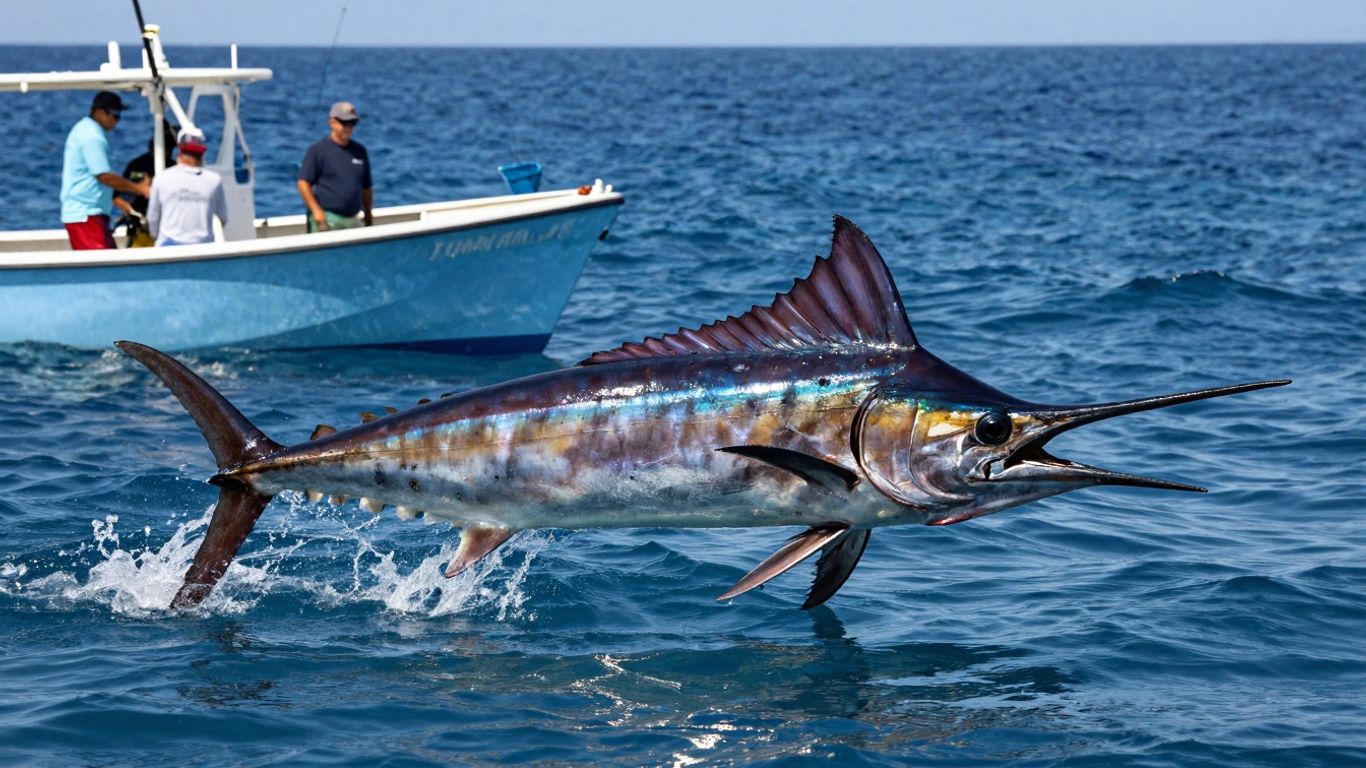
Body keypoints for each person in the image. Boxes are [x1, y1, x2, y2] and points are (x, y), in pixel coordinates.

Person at [60, 90, 151, 250]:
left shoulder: (86, 129)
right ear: (101, 112)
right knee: (101, 266)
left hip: (91, 213)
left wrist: (117, 201)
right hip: (86, 215)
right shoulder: (92, 136)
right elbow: (104, 176)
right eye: (115, 115)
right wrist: (140, 189)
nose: (117, 121)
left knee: (107, 261)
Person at [297, 101, 373, 232]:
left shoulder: (360, 151)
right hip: (327, 219)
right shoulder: (318, 150)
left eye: (352, 123)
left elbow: (366, 188)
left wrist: (368, 214)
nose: (348, 127)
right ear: (332, 122)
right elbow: (303, 183)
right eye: (344, 123)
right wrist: (317, 212)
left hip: (352, 219)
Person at [147, 127, 228, 246]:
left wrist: (155, 236)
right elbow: (223, 218)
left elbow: (153, 218)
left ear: (179, 150)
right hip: (202, 247)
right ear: (202, 153)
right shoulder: (214, 180)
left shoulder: (161, 178)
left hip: (168, 248)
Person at [117, 120, 179, 247]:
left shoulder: (175, 169)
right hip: (141, 231)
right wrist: (134, 211)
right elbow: (118, 197)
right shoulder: (137, 165)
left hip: (170, 232)